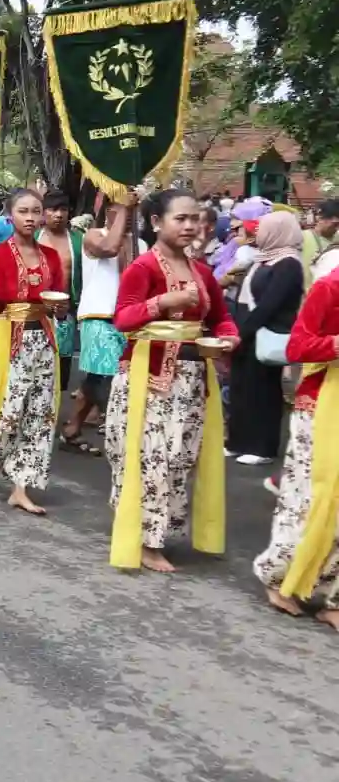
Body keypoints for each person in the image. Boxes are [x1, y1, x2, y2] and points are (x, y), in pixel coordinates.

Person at [104, 191, 238, 573]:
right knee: (150, 458)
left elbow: (222, 319)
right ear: (157, 223)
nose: (190, 226)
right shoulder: (143, 268)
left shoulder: (204, 273)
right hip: (148, 379)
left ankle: (159, 529)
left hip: (193, 380)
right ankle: (146, 539)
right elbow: (124, 319)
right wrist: (161, 303)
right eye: (181, 219)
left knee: (181, 457)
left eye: (195, 219)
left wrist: (229, 337)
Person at [0, 188, 66, 515]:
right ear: (11, 216)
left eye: (36, 211)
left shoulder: (52, 256)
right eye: (23, 211)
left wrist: (58, 309)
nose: (31, 217)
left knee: (39, 414)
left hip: (44, 341)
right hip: (8, 338)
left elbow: (59, 301)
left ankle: (21, 487)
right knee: (2, 411)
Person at [256, 250, 339, 624]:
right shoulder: (330, 287)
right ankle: (279, 577)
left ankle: (332, 597)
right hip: (321, 405)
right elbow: (298, 346)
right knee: (307, 498)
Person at [226, 208, 304, 466]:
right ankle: (237, 441)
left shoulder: (289, 264)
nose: (258, 232)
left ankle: (262, 446)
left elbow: (271, 304)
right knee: (241, 387)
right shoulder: (263, 259)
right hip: (247, 331)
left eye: (265, 227)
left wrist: (243, 331)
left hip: (266, 332)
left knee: (263, 391)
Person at [63, 198, 132, 454]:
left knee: (95, 377)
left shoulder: (140, 242)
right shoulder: (94, 235)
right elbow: (110, 248)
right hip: (98, 315)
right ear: (108, 212)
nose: (126, 213)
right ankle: (119, 431)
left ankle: (73, 428)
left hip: (127, 319)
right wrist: (126, 209)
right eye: (118, 208)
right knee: (109, 377)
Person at [37, 190, 82, 393]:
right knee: (36, 365)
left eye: (63, 209)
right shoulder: (33, 238)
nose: (58, 214)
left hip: (66, 312)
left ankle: (54, 415)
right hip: (36, 313)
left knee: (61, 369)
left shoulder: (78, 241)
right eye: (53, 209)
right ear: (43, 213)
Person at [301, 198, 339, 278]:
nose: (337, 229)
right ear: (320, 218)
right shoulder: (303, 238)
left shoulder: (337, 238)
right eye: (335, 224)